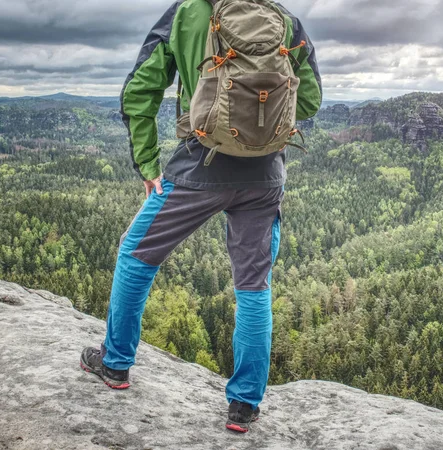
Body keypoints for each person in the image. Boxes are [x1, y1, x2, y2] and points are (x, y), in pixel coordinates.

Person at [80, 0, 321, 433]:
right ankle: (243, 406)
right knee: (253, 287)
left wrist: (149, 162)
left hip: (197, 165)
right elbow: (311, 101)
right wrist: (255, 121)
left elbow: (139, 90)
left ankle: (115, 364)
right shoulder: (284, 19)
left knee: (136, 256)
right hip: (266, 174)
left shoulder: (189, 11)